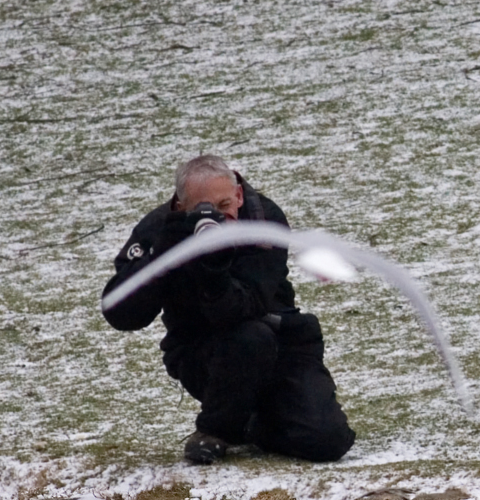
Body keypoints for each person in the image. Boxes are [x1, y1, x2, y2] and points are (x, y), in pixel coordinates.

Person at [101, 155, 354, 465]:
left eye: (224, 206)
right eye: (204, 210)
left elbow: (246, 307)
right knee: (249, 339)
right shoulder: (160, 229)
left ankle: (253, 423)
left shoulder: (263, 221)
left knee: (328, 440)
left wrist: (213, 270)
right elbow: (121, 314)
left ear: (239, 196)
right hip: (205, 354)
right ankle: (215, 430)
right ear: (181, 207)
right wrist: (162, 259)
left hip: (281, 341)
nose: (218, 220)